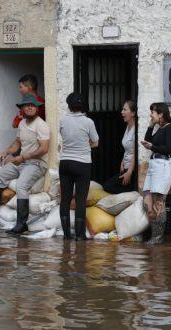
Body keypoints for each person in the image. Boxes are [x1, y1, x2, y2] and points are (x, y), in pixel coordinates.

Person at [0, 94, 50, 234]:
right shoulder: (21, 124)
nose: (30, 107)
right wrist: (7, 152)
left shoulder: (41, 125)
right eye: (27, 106)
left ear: (37, 109)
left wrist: (24, 156)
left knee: (21, 185)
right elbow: (18, 143)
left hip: (37, 164)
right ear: (22, 109)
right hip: (22, 161)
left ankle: (21, 224)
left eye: (33, 105)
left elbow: (44, 149)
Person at [59, 92, 99, 240]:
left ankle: (66, 234)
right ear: (83, 106)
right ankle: (80, 235)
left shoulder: (62, 120)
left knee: (65, 199)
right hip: (82, 164)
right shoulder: (88, 122)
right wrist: (84, 143)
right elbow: (95, 142)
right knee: (81, 199)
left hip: (65, 162)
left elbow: (63, 136)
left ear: (69, 105)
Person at [140, 102, 171, 244]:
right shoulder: (160, 128)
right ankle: (154, 235)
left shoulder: (170, 128)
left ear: (161, 114)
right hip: (154, 165)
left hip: (162, 166)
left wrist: (153, 147)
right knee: (147, 200)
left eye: (153, 112)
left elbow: (169, 149)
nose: (151, 115)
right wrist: (150, 126)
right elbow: (148, 140)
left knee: (158, 202)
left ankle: (157, 237)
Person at [103, 100, 137, 194]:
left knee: (108, 187)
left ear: (133, 113)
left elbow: (135, 153)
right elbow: (127, 149)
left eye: (125, 109)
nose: (122, 112)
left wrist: (129, 173)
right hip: (125, 167)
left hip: (131, 171)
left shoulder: (136, 129)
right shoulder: (128, 127)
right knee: (107, 186)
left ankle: (133, 192)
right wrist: (122, 162)